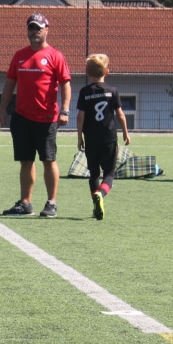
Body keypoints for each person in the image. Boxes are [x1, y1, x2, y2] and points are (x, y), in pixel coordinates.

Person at [0, 13, 72, 218]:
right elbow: (10, 83)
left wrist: (65, 110)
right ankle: (25, 202)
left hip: (46, 119)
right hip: (21, 117)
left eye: (38, 28)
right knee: (25, 161)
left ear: (47, 29)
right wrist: (3, 108)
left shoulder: (55, 56)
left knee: (49, 160)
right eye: (31, 28)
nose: (35, 32)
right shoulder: (19, 55)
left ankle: (51, 203)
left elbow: (65, 84)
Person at [76, 54, 131, 221]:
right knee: (109, 172)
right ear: (107, 72)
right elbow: (120, 115)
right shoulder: (112, 91)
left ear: (87, 72)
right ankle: (101, 193)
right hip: (109, 138)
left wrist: (79, 137)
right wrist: (125, 132)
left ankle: (95, 200)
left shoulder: (85, 92)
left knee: (93, 174)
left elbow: (80, 116)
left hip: (91, 138)